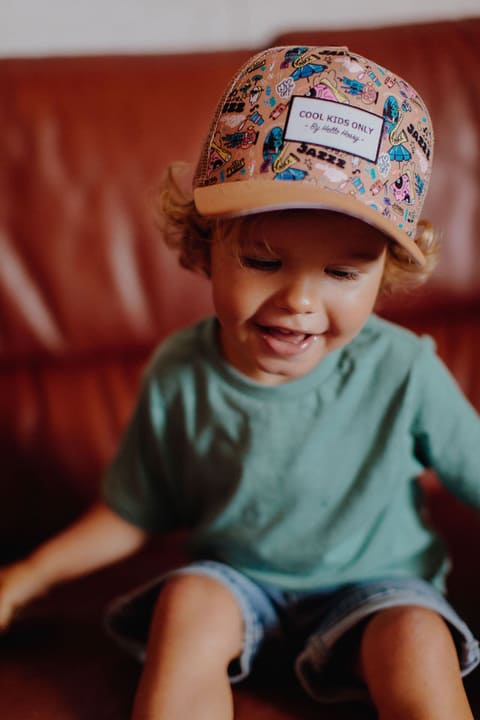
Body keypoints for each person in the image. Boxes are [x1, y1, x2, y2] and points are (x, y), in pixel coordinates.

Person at [1, 45, 479, 720]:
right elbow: (130, 511)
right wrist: (23, 579)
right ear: (205, 247)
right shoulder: (179, 372)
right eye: (263, 259)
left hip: (382, 589)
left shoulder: (404, 370)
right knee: (187, 603)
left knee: (417, 638)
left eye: (342, 274)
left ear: (386, 277)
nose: (299, 301)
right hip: (236, 585)